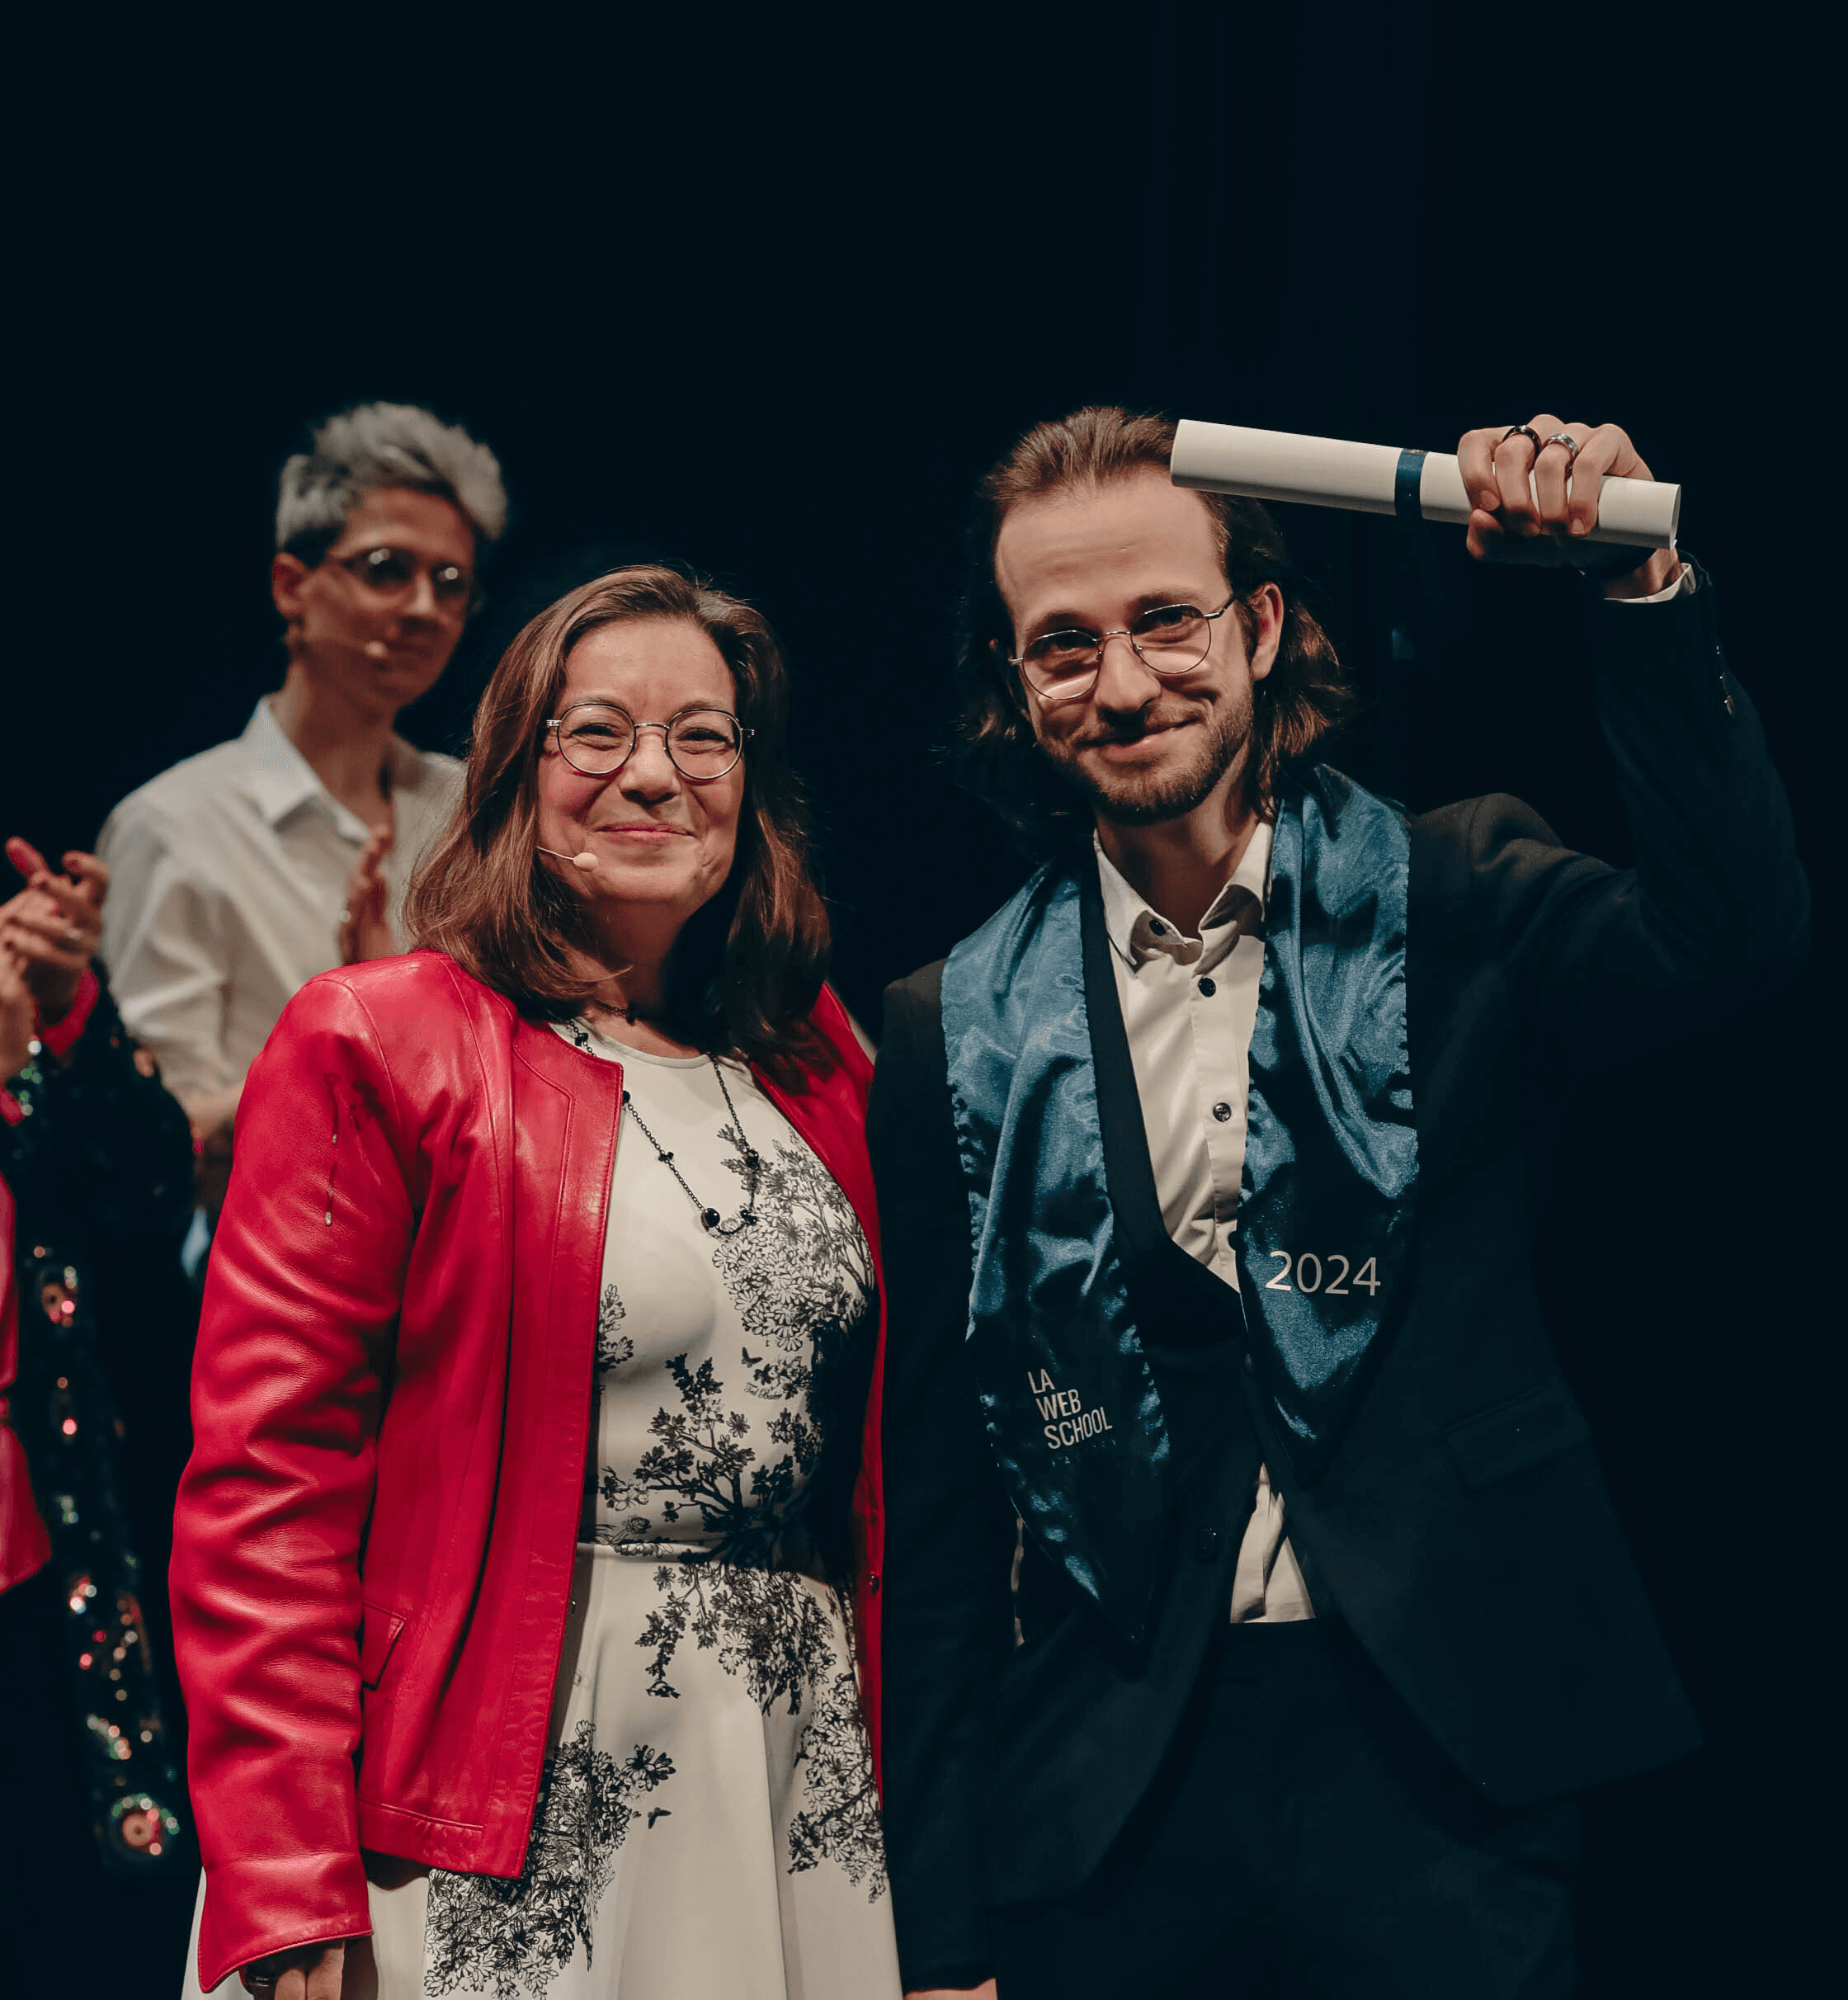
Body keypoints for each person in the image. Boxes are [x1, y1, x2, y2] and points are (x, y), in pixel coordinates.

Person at [869, 406, 1808, 1998]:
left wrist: (1638, 584)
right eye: (1061, 642)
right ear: (1016, 685)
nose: (1119, 679)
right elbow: (947, 1495)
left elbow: (1734, 935)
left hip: (1444, 1748)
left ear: (1261, 625)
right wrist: (940, 1923)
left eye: (1165, 617)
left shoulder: (1455, 891)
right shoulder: (944, 1015)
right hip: (1105, 1782)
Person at [172, 565, 901, 2000]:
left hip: (786, 1768)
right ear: (518, 766)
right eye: (598, 732)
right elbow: (269, 1477)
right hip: (493, 1782)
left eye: (705, 734)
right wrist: (281, 1867)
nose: (654, 773)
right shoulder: (379, 1040)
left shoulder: (816, 1061)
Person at [97, 402, 507, 1177]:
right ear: (292, 587)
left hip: (452, 1257)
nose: (425, 607)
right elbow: (160, 1132)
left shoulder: (468, 807)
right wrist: (354, 1043)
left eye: (451, 582)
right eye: (387, 569)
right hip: (266, 1262)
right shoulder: (173, 824)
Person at [0, 837, 196, 1959]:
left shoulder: (29, 1082)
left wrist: (68, 1013)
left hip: (50, 1573)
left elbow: (148, 1196)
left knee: (70, 1917)